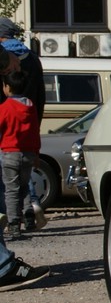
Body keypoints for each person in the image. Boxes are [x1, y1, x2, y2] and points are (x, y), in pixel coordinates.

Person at [0, 17, 46, 229]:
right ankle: (31, 208)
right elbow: (41, 95)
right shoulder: (33, 59)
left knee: (10, 186)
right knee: (25, 182)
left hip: (8, 146)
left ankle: (12, 220)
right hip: (27, 142)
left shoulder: (4, 57)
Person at [0, 70, 42, 239]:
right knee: (24, 186)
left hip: (10, 153)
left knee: (11, 190)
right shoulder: (30, 107)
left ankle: (14, 223)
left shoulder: (5, 107)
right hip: (28, 154)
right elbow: (35, 132)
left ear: (7, 87)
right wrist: (36, 154)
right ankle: (29, 216)